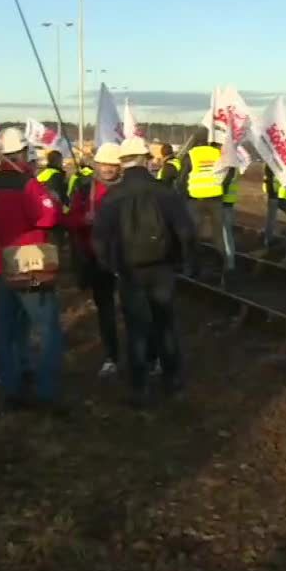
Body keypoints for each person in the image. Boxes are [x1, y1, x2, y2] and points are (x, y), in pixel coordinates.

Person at [93, 137, 197, 406]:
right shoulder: (165, 192)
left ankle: (139, 386)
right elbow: (186, 231)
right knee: (166, 325)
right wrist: (183, 260)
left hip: (129, 271)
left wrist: (110, 266)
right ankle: (173, 382)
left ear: (122, 162)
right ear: (145, 159)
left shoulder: (113, 196)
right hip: (162, 268)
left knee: (137, 328)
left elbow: (100, 239)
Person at [0, 127, 64, 411]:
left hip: (0, 265)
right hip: (31, 265)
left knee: (7, 330)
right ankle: (47, 390)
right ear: (21, 153)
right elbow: (48, 217)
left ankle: (11, 385)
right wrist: (51, 198)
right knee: (46, 328)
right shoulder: (27, 184)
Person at [64, 143, 123, 377]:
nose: (108, 168)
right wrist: (83, 220)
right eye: (104, 163)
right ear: (97, 164)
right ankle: (112, 356)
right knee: (106, 309)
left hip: (124, 258)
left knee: (134, 309)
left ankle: (147, 355)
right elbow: (69, 220)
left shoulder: (126, 190)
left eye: (113, 164)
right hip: (97, 260)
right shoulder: (84, 189)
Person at [176, 134, 235, 278]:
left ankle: (191, 268)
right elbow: (229, 172)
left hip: (195, 199)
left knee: (193, 235)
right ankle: (225, 267)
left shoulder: (191, 155)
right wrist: (222, 189)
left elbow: (182, 179)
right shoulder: (218, 154)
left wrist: (184, 195)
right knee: (218, 236)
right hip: (215, 199)